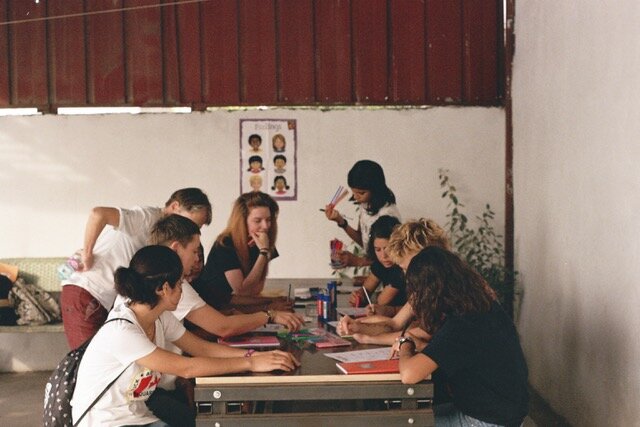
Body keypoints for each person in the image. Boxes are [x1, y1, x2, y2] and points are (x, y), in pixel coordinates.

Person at [71, 245, 299, 427]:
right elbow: (186, 368)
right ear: (163, 288)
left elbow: (202, 349)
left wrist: (254, 356)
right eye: (179, 283)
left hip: (138, 417)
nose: (183, 288)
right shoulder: (122, 331)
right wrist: (250, 362)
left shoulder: (159, 316)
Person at [392, 246, 529, 426]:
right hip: (500, 414)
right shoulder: (480, 307)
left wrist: (405, 343)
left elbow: (409, 374)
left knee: (401, 422)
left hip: (486, 421)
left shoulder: (463, 323)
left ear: (429, 292)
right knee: (407, 417)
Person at [61, 188, 212, 350]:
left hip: (101, 299)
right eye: (193, 222)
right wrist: (88, 253)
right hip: (87, 292)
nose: (192, 229)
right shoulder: (146, 217)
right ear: (175, 206)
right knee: (85, 360)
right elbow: (98, 214)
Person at [337, 218, 450, 343]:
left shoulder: (444, 289)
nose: (406, 276)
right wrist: (356, 325)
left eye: (408, 269)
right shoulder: (422, 288)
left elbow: (420, 334)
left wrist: (368, 338)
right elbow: (395, 324)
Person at [324, 160, 400, 267]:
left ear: (375, 189)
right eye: (353, 192)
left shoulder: (387, 215)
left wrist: (359, 261)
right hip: (377, 271)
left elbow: (389, 257)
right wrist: (341, 221)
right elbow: (365, 243)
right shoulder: (365, 205)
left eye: (361, 193)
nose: (355, 197)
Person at [348, 215, 405, 317]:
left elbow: (381, 301)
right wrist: (359, 296)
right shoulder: (380, 264)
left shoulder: (403, 267)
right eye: (377, 250)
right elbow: (366, 290)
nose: (383, 256)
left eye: (387, 249)